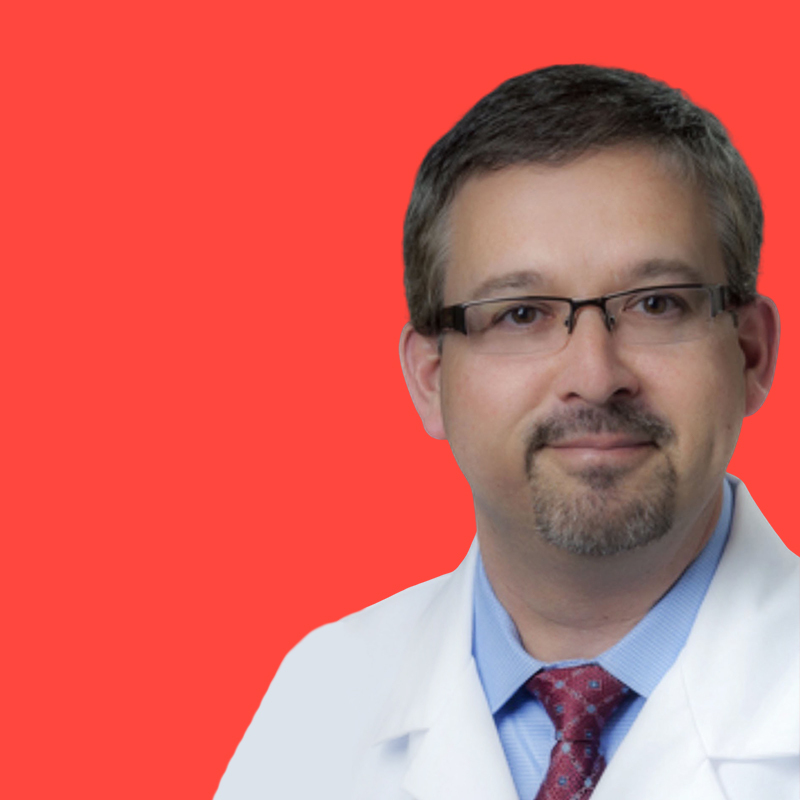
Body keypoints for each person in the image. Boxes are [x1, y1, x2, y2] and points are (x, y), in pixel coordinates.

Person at [215, 65, 798, 800]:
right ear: (430, 379)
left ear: (750, 354)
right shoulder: (322, 699)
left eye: (656, 304)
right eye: (521, 314)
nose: (594, 374)